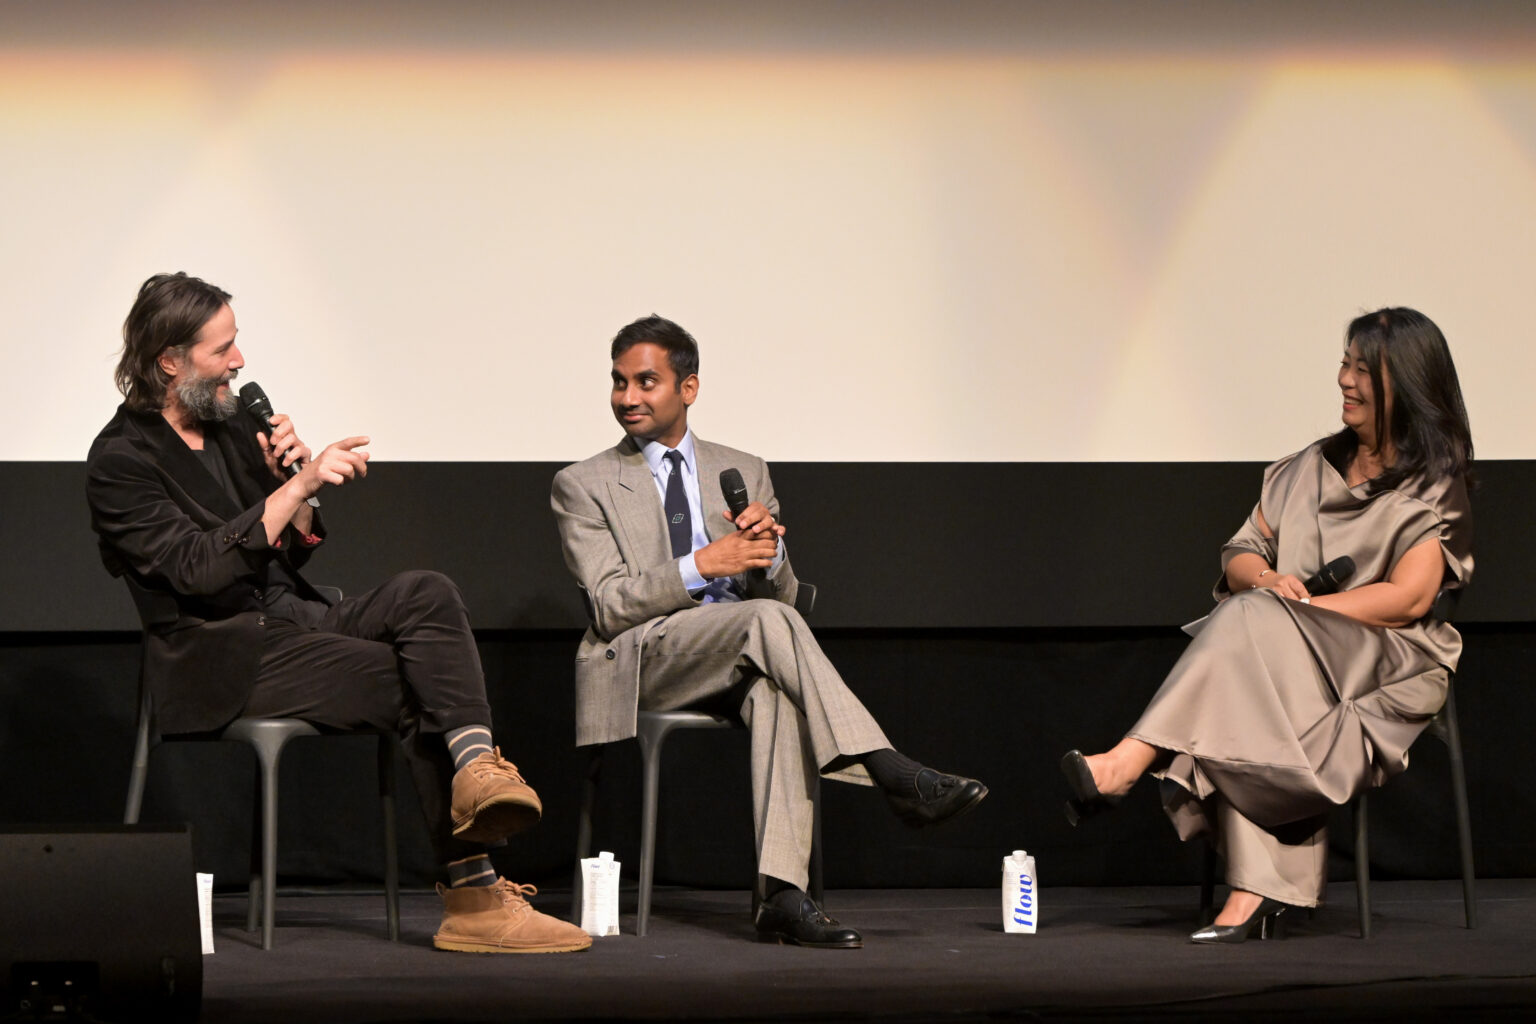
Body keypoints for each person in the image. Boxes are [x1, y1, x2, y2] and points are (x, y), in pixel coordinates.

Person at [87, 272, 591, 954]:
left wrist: (291, 490)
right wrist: (297, 482)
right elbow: (200, 569)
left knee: (428, 592)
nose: (240, 362)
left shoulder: (230, 426)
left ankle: (477, 769)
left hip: (288, 616)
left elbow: (295, 549)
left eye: (238, 344)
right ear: (169, 360)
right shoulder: (120, 461)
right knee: (406, 676)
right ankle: (473, 899)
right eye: (223, 349)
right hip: (216, 653)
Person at [550, 315, 988, 948]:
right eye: (619, 382)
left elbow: (781, 599)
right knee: (764, 624)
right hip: (647, 656)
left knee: (776, 690)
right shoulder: (582, 484)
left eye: (646, 381)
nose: (628, 397)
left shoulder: (744, 469)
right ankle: (886, 769)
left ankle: (781, 895)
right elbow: (610, 605)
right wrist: (703, 564)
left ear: (689, 388)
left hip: (744, 650)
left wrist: (770, 554)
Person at [1061, 307, 1473, 943]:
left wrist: (1299, 612)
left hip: (1387, 659)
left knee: (1246, 625)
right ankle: (1255, 890)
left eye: (1364, 370)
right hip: (1284, 647)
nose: (1345, 381)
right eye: (1345, 364)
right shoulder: (1303, 468)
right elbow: (1243, 552)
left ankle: (1128, 763)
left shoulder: (1433, 485)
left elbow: (1407, 600)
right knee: (1247, 630)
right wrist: (1268, 583)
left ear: (1407, 384)